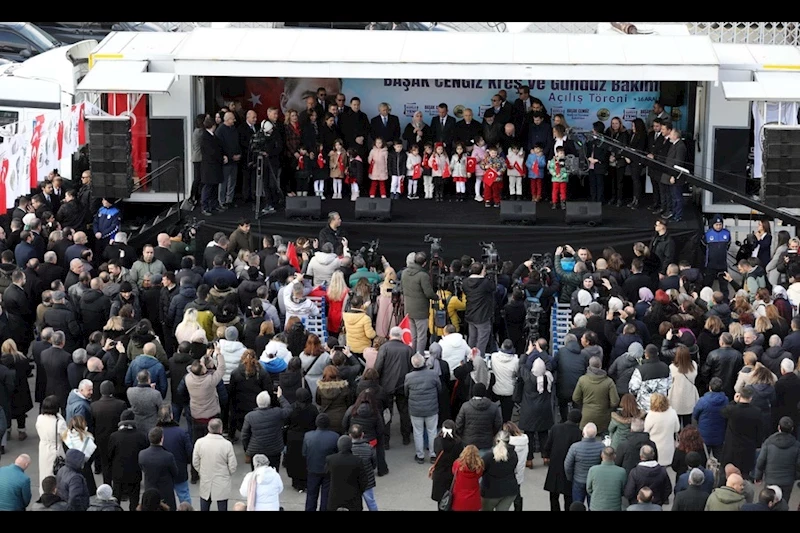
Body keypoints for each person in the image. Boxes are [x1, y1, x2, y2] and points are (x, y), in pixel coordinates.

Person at [375, 327, 413, 447]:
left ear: (390, 336)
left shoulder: (384, 348)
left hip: (387, 386)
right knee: (404, 411)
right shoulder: (408, 349)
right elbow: (412, 368)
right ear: (401, 336)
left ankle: (386, 440)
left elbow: (378, 367)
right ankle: (406, 437)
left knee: (387, 413)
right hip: (403, 385)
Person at [192, 418, 238, 512]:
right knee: (222, 506)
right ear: (221, 429)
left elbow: (195, 462)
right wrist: (227, 473)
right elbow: (233, 465)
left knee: (204, 504)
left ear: (208, 428)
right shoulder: (227, 444)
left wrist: (201, 471)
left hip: (206, 479)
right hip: (222, 480)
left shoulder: (200, 442)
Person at [107, 409, 148, 511]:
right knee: (134, 500)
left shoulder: (114, 436)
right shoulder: (141, 436)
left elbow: (109, 455)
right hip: (135, 473)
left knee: (116, 499)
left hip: (118, 474)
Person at [543, 409, 583, 511]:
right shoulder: (578, 433)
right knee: (568, 496)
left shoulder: (556, 428)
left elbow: (548, 444)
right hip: (569, 467)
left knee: (553, 495)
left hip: (555, 465)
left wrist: (546, 455)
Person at [241, 389, 292, 471]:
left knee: (257, 475)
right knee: (273, 473)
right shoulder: (277, 412)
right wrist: (280, 397)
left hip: (256, 450)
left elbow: (244, 435)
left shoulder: (249, 416)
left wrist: (247, 449)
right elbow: (288, 409)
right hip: (274, 450)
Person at [721, 385, 764, 480]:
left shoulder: (733, 410)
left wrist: (733, 402)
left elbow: (723, 412)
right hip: (748, 446)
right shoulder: (756, 411)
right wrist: (758, 444)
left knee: (730, 472)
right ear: (751, 397)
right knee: (744, 473)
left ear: (740, 395)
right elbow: (759, 430)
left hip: (732, 446)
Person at [405, 352, 442, 464]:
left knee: (418, 432)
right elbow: (439, 389)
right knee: (432, 432)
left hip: (416, 409)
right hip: (431, 408)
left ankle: (420, 455)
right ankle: (433, 455)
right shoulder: (433, 374)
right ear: (424, 362)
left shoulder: (409, 377)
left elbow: (406, 392)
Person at [754, 416, 800, 502]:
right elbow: (798, 464)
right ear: (792, 429)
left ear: (779, 427)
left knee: (768, 503)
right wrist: (795, 476)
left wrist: (758, 476)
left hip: (771, 479)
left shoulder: (769, 442)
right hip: (787, 481)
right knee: (783, 504)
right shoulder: (796, 445)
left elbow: (761, 460)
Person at [519, 356, 554, 467]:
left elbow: (521, 366)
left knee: (529, 435)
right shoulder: (548, 378)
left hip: (529, 411)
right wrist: (541, 351)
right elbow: (549, 364)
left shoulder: (529, 379)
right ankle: (546, 457)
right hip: (544, 410)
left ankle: (529, 460)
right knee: (544, 434)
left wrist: (527, 353)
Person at [155, 405, 193, 506]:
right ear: (171, 416)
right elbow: (189, 452)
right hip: (179, 470)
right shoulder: (181, 432)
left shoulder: (155, 433)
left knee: (164, 500)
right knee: (184, 496)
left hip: (162, 473)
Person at [401, 252, 438, 354]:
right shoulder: (423, 275)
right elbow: (429, 293)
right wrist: (437, 297)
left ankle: (412, 356)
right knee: (422, 336)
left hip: (408, 309)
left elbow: (401, 289)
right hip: (421, 311)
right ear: (424, 263)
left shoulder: (404, 273)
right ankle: (420, 356)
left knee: (413, 336)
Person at [573, 356, 620, 434]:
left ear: (589, 366)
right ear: (600, 366)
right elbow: (615, 401)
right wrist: (607, 407)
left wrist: (584, 404)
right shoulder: (609, 382)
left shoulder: (582, 380)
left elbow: (575, 398)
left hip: (586, 417)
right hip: (603, 418)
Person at [303, 413, 340, 511]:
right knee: (326, 496)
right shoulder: (335, 437)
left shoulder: (308, 436)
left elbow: (304, 453)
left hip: (313, 469)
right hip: (328, 470)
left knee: (311, 495)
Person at [138, 426, 178, 511]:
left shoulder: (142, 454)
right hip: (165, 490)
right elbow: (175, 472)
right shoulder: (168, 456)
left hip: (149, 489)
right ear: (162, 438)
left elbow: (142, 467)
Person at [564, 422, 604, 508]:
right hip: (594, 482)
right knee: (592, 506)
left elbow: (567, 465)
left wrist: (570, 477)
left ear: (583, 433)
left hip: (578, 480)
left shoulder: (575, 447)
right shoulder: (601, 447)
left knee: (577, 505)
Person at [325, 435, 368, 511]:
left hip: (335, 498)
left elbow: (327, 476)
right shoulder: (357, 461)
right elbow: (364, 481)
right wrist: (359, 492)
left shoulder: (330, 459)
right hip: (353, 498)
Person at [462, 262, 496, 354]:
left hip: (471, 314)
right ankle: (478, 359)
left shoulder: (465, 282)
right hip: (482, 316)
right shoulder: (485, 283)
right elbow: (493, 287)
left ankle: (470, 357)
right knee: (482, 339)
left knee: (472, 338)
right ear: (482, 271)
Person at [480, 430, 519, 511]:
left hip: (490, 492)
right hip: (509, 491)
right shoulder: (513, 454)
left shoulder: (488, 456)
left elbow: (480, 471)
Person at [644, 393, 681, 467]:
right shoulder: (672, 412)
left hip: (655, 449)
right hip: (668, 449)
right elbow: (677, 428)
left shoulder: (651, 415)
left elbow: (646, 431)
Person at [586, 446, 627, 511]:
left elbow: (589, 489)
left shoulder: (593, 470)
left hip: (596, 507)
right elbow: (622, 490)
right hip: (614, 507)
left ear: (602, 455)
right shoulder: (621, 471)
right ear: (614, 456)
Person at [348, 424, 378, 511]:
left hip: (353, 480)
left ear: (350, 435)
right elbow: (374, 464)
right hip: (367, 480)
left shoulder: (349, 449)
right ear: (362, 434)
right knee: (371, 502)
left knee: (354, 504)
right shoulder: (369, 448)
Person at [451, 444, 484, 512]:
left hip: (459, 498)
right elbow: (479, 476)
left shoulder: (457, 464)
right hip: (473, 499)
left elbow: (454, 473)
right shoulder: (479, 466)